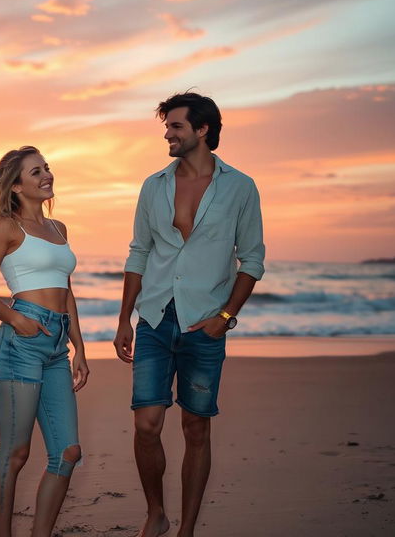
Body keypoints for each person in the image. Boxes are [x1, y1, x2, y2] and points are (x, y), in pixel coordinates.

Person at [114, 92, 265, 537]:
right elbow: (139, 253)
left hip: (205, 324)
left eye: (176, 126)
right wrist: (125, 319)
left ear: (203, 130)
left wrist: (226, 316)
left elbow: (252, 260)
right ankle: (156, 512)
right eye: (167, 126)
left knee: (196, 427)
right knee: (146, 423)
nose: (167, 134)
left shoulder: (240, 187)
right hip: (156, 318)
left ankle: (187, 529)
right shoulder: (153, 185)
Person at [0, 146, 89, 537]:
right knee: (16, 453)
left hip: (57, 345)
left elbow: (66, 292)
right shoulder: (6, 228)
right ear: (17, 186)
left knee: (68, 453)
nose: (46, 175)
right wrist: (16, 319)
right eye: (35, 171)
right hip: (21, 343)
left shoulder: (59, 229)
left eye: (47, 168)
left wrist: (80, 349)